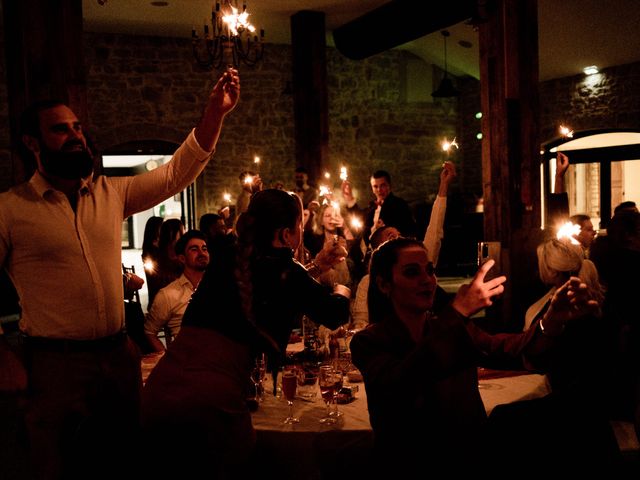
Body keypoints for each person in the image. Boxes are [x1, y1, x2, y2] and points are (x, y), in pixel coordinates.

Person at [0, 67, 240, 480]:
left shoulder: (110, 193)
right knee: (53, 467)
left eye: (77, 127)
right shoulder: (10, 208)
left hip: (116, 357)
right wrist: (3, 351)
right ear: (31, 142)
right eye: (61, 130)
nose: (75, 135)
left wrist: (214, 115)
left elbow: (176, 173)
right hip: (53, 365)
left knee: (126, 462)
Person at [141, 189, 351, 478]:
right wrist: (342, 287)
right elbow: (334, 312)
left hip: (160, 389)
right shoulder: (286, 272)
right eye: (299, 227)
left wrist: (316, 266)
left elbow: (271, 283)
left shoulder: (228, 256)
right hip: (210, 402)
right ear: (287, 234)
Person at [350, 237, 599, 475]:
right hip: (410, 467)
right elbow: (403, 380)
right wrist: (456, 312)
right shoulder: (369, 342)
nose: (427, 280)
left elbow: (506, 350)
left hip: (467, 463)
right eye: (412, 272)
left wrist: (550, 322)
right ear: (384, 284)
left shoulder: (452, 329)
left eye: (430, 270)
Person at [144, 229, 209, 352]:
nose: (201, 253)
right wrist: (166, 359)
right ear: (182, 259)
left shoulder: (218, 289)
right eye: (194, 249)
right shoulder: (168, 295)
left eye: (204, 249)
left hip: (220, 361)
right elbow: (149, 332)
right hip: (189, 360)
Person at [343, 169, 417, 246]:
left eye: (383, 185)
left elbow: (410, 229)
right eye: (375, 186)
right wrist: (349, 198)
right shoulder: (372, 206)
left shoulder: (399, 205)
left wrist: (384, 229)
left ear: (389, 186)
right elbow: (360, 220)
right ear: (372, 189)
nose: (379, 190)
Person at [145, 217, 185, 309]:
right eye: (182, 231)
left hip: (180, 303)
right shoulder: (157, 257)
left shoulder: (182, 256)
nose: (184, 234)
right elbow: (157, 285)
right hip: (164, 304)